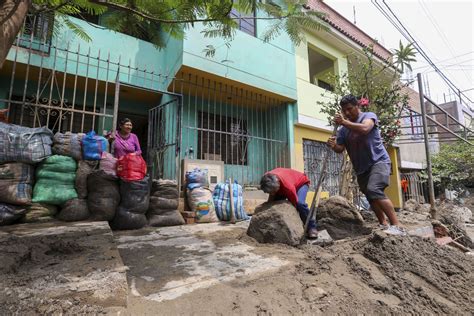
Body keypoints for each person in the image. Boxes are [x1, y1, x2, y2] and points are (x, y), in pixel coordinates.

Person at [327, 94, 405, 236]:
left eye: (350, 109)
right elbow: (340, 149)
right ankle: (383, 224)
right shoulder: (343, 131)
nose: (347, 113)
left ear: (358, 106)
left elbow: (364, 129)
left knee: (374, 189)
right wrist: (333, 145)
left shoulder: (368, 116)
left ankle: (397, 226)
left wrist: (344, 122)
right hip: (361, 168)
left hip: (378, 161)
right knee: (370, 196)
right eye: (344, 110)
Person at [260, 168, 318, 239]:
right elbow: (271, 196)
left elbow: (294, 205)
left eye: (274, 191)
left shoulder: (288, 187)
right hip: (285, 182)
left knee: (300, 204)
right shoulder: (266, 179)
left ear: (278, 185)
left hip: (301, 183)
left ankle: (311, 227)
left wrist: (295, 222)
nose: (272, 194)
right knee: (273, 203)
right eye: (271, 192)